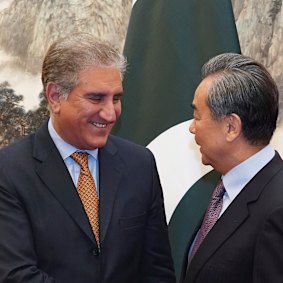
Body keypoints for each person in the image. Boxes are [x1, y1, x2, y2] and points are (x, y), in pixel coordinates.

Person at [0, 33, 175, 283]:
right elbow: (16, 274)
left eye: (116, 98)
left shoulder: (140, 164)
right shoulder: (9, 171)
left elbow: (157, 270)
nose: (110, 113)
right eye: (96, 98)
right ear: (55, 96)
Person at [183, 53, 283, 283]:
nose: (191, 128)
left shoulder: (277, 208)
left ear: (231, 127)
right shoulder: (226, 192)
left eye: (197, 116)